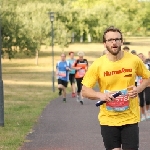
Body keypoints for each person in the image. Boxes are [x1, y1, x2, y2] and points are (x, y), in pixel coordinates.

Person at [81, 26, 150, 150]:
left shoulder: (133, 60)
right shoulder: (98, 64)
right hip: (108, 119)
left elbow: (147, 77)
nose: (114, 42)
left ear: (122, 42)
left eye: (117, 39)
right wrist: (100, 95)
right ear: (104, 43)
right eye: (110, 40)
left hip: (130, 118)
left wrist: (138, 89)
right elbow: (85, 91)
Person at [137, 53, 150, 121]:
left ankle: (147, 111)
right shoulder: (135, 66)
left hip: (147, 84)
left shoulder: (147, 65)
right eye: (139, 57)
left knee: (148, 99)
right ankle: (142, 114)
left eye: (142, 57)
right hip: (139, 85)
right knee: (141, 101)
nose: (141, 58)